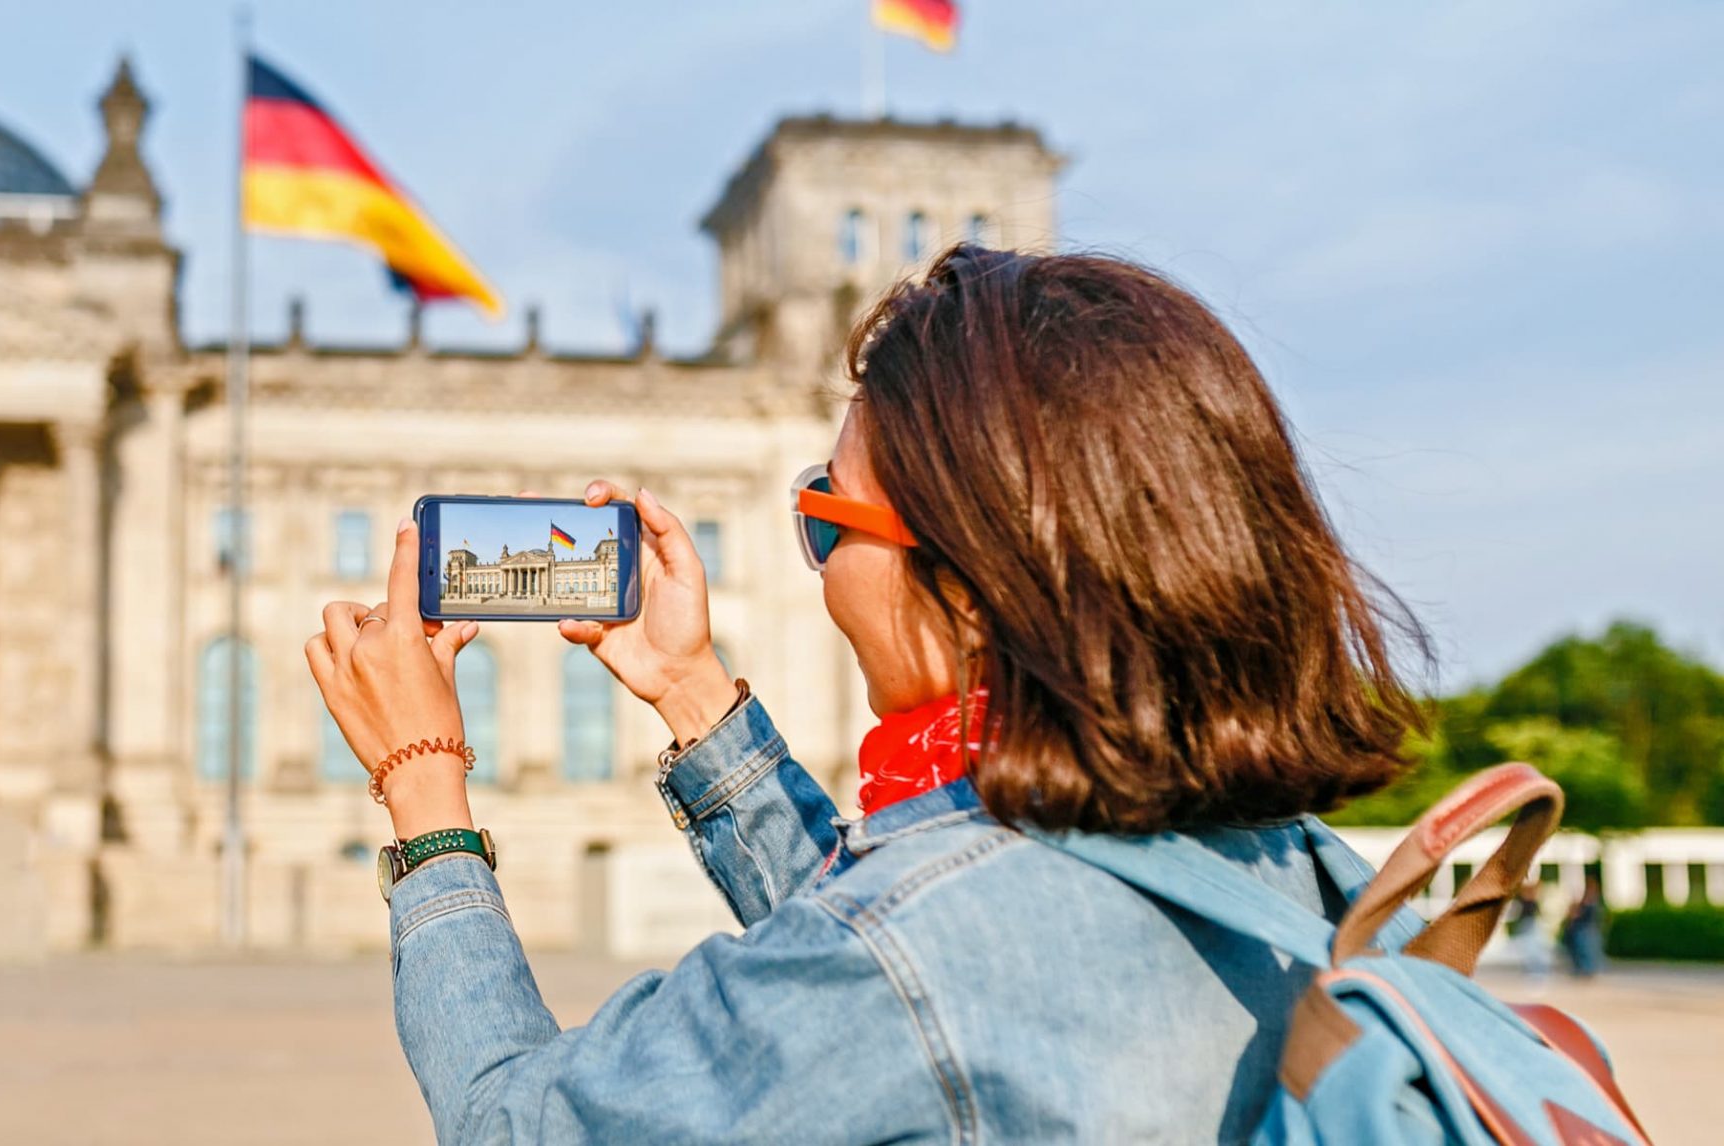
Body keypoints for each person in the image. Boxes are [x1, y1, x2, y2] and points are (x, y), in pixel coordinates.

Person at [307, 246, 1430, 1143]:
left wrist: (425, 791)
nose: (820, 563)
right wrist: (695, 696)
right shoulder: (1299, 868)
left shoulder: (915, 952)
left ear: (974, 583)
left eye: (825, 514)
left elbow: (515, 1124)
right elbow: (911, 978)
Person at [1560, 874, 1608, 979]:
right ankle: (1584, 970)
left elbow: (1581, 915)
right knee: (1583, 951)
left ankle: (1587, 970)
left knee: (1587, 951)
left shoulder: (1591, 902)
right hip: (1583, 929)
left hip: (1586, 930)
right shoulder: (1588, 901)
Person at [1506, 879, 1552, 983]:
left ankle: (1536, 971)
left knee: (1532, 950)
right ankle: (1534, 970)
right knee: (1530, 950)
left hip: (1529, 926)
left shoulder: (1529, 901)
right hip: (1528, 926)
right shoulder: (1526, 901)